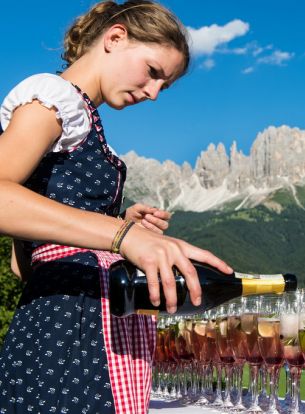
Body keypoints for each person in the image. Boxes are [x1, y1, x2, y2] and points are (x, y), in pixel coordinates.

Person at [0, 1, 232, 412]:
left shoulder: (81, 117)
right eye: (154, 72)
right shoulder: (54, 98)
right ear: (115, 38)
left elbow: (25, 265)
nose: (154, 93)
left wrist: (117, 224)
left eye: (165, 85)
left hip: (71, 325)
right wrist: (121, 237)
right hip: (64, 339)